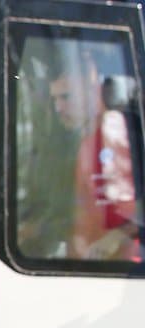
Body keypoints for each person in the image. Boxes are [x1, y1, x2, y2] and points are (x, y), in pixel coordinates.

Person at [47, 45, 139, 260]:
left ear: (91, 83)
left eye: (66, 97)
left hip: (112, 272)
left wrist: (113, 238)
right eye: (55, 100)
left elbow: (134, 212)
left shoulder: (114, 132)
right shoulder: (83, 139)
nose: (58, 108)